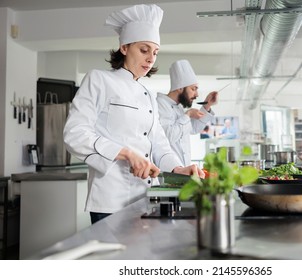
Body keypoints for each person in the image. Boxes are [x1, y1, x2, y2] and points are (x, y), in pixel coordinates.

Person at [63, 4, 204, 224]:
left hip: (145, 197)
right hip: (110, 200)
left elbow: (159, 143)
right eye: (144, 49)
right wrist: (127, 154)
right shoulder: (99, 80)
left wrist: (178, 168)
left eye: (155, 52)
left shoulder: (148, 94)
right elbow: (75, 134)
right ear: (124, 47)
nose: (151, 59)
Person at [156, 59, 218, 166]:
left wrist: (207, 105)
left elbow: (193, 128)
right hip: (169, 171)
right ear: (180, 88)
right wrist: (187, 115)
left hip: (183, 169)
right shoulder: (160, 105)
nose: (197, 94)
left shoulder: (178, 107)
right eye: (193, 89)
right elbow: (168, 136)